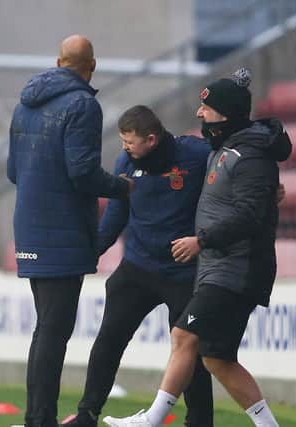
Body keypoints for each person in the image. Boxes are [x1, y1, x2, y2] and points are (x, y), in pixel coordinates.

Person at [102, 68, 292, 427]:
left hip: (237, 268)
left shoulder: (249, 155)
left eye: (207, 108)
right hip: (221, 267)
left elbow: (249, 215)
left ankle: (153, 420)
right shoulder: (224, 148)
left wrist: (201, 240)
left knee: (183, 334)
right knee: (217, 357)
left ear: (227, 114)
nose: (199, 114)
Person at [7, 35, 131, 427]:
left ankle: (37, 416)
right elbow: (82, 172)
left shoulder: (24, 103)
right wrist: (120, 187)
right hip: (63, 230)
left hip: (29, 228)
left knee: (46, 327)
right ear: (91, 65)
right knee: (53, 331)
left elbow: (13, 171)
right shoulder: (83, 104)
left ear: (58, 61)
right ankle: (39, 419)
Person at [64, 105, 214, 427]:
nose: (124, 147)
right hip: (138, 268)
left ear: (151, 139)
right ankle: (87, 414)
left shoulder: (195, 154)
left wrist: (268, 188)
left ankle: (200, 422)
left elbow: (234, 167)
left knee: (191, 351)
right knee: (109, 339)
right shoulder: (125, 164)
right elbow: (115, 217)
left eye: (129, 141)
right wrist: (88, 255)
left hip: (183, 273)